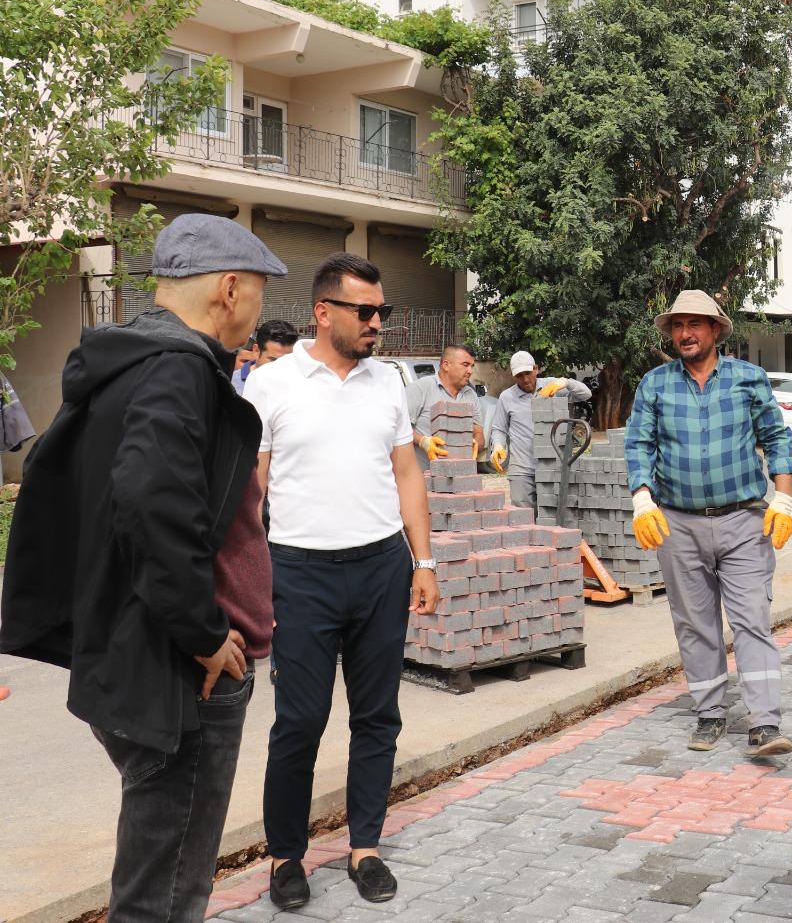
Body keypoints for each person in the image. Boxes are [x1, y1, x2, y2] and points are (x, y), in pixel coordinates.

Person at [1, 214, 286, 921]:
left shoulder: (128, 361)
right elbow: (149, 497)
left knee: (160, 872)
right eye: (255, 294)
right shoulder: (179, 369)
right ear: (228, 288)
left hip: (140, 651)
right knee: (165, 893)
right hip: (184, 671)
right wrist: (200, 630)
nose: (255, 314)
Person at [243, 252, 439, 910]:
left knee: (378, 714)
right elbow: (251, 491)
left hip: (381, 568)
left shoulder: (388, 382)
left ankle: (366, 848)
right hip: (299, 573)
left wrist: (425, 561)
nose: (378, 322)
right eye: (366, 311)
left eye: (382, 311)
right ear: (322, 312)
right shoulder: (270, 385)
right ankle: (285, 857)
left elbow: (407, 473)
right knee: (299, 720)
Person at [625, 289, 792, 757]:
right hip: (677, 524)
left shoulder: (748, 379)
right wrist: (642, 498)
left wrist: (783, 496)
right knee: (694, 623)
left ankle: (764, 722)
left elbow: (776, 437)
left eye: (694, 324)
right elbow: (638, 444)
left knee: (752, 620)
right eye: (678, 325)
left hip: (743, 520)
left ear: (716, 329)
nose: (685, 333)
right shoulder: (655, 385)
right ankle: (710, 713)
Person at [490, 350, 593, 509]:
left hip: (552, 466)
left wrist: (566, 382)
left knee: (550, 519)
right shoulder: (506, 397)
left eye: (528, 373)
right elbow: (499, 428)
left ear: (536, 369)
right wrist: (497, 446)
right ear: (513, 376)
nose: (525, 379)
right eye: (519, 375)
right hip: (522, 470)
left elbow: (586, 394)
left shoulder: (552, 386)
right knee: (522, 520)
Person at [405, 343, 488, 472]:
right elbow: (398, 430)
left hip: (458, 478)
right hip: (420, 476)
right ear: (446, 365)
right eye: (465, 365)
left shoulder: (471, 395)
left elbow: (478, 432)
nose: (470, 371)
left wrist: (476, 443)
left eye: (472, 366)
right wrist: (423, 441)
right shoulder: (420, 389)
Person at [232, 318, 300, 392]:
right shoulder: (230, 384)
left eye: (287, 360)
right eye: (273, 359)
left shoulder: (298, 383)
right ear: (256, 351)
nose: (280, 367)